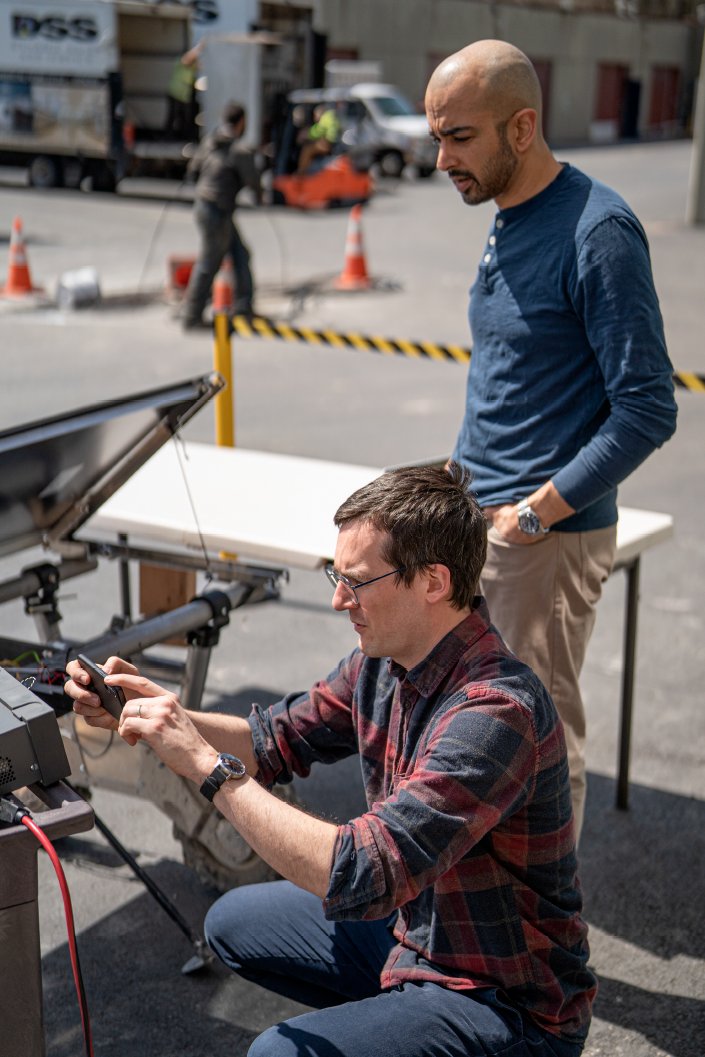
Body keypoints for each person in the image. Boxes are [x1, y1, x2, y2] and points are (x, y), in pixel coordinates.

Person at [65, 463, 597, 1057]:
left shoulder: (493, 713)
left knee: (277, 1054)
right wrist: (165, 715)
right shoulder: (386, 659)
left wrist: (210, 770)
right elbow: (274, 738)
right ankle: (399, 1021)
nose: (340, 599)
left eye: (358, 581)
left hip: (505, 1001)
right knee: (234, 922)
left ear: (434, 582)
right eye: (334, 575)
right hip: (419, 931)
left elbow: (356, 873)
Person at [425, 41, 678, 837]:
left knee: (533, 746)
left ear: (522, 128)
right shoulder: (508, 215)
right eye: (437, 137)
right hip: (479, 524)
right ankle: (478, 924)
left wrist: (532, 514)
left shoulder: (596, 232)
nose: (440, 159)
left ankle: (542, 941)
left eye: (458, 137)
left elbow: (645, 408)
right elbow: (514, 374)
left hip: (541, 542)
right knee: (470, 732)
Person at [181, 100, 255, 329]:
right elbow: (253, 180)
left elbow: (193, 171)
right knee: (209, 262)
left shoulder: (209, 142)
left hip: (205, 207)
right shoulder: (239, 150)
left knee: (240, 254)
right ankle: (192, 316)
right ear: (241, 122)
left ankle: (244, 307)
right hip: (217, 212)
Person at [164, 43, 201, 141]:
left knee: (185, 118)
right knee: (173, 117)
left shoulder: (192, 69)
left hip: (184, 96)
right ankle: (168, 138)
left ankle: (184, 137)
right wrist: (201, 46)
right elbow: (188, 58)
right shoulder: (181, 62)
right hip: (175, 94)